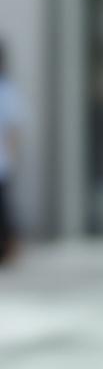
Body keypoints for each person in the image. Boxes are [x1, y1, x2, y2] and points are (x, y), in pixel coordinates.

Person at [0, 40, 21, 264]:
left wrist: (11, 158)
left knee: (4, 211)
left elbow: (13, 129)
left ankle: (9, 251)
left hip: (1, 163)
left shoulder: (5, 91)